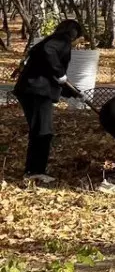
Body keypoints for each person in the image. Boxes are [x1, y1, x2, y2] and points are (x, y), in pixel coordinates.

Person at [13, 20, 85, 184]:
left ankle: (32, 170)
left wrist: (75, 94)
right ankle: (36, 171)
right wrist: (60, 73)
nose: (76, 43)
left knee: (38, 131)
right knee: (44, 131)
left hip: (29, 90)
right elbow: (52, 60)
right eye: (78, 38)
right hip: (38, 92)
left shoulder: (51, 40)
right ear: (73, 32)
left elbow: (53, 75)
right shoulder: (61, 41)